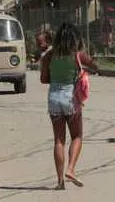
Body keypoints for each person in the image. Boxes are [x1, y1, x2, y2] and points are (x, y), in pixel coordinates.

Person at [40, 22, 98, 190]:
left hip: (53, 98)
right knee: (77, 136)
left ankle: (59, 181)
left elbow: (44, 79)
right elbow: (95, 66)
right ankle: (71, 169)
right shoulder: (78, 55)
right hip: (70, 98)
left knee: (59, 140)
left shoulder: (49, 56)